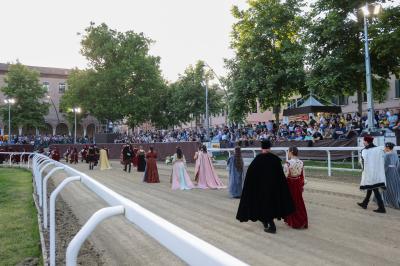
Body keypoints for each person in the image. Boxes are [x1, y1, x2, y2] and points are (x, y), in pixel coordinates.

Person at [236, 140, 295, 234]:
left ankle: (271, 226)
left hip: (261, 188)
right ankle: (266, 223)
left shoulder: (257, 160)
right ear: (270, 148)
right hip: (273, 189)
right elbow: (280, 176)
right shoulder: (275, 159)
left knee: (263, 205)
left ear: (261, 148)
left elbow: (250, 175)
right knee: (269, 205)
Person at [357, 135, 386, 213]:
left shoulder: (365, 151)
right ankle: (365, 203)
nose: (363, 142)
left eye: (364, 141)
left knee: (375, 190)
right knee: (370, 188)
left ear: (366, 141)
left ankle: (382, 208)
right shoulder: (377, 149)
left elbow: (362, 162)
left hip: (370, 173)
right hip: (376, 173)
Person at [283, 147, 308, 229]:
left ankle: (294, 221)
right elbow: (303, 176)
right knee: (299, 202)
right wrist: (301, 185)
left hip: (290, 183)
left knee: (291, 202)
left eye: (288, 152)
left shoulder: (288, 163)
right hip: (297, 183)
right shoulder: (301, 162)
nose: (288, 153)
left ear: (291, 152)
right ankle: (302, 220)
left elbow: (285, 176)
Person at [381, 142, 400, 209]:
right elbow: (398, 164)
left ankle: (387, 201)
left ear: (388, 148)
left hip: (388, 172)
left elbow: (385, 166)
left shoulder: (387, 155)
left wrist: (383, 173)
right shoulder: (395, 154)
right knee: (394, 186)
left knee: (387, 186)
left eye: (385, 147)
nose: (384, 148)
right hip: (395, 172)